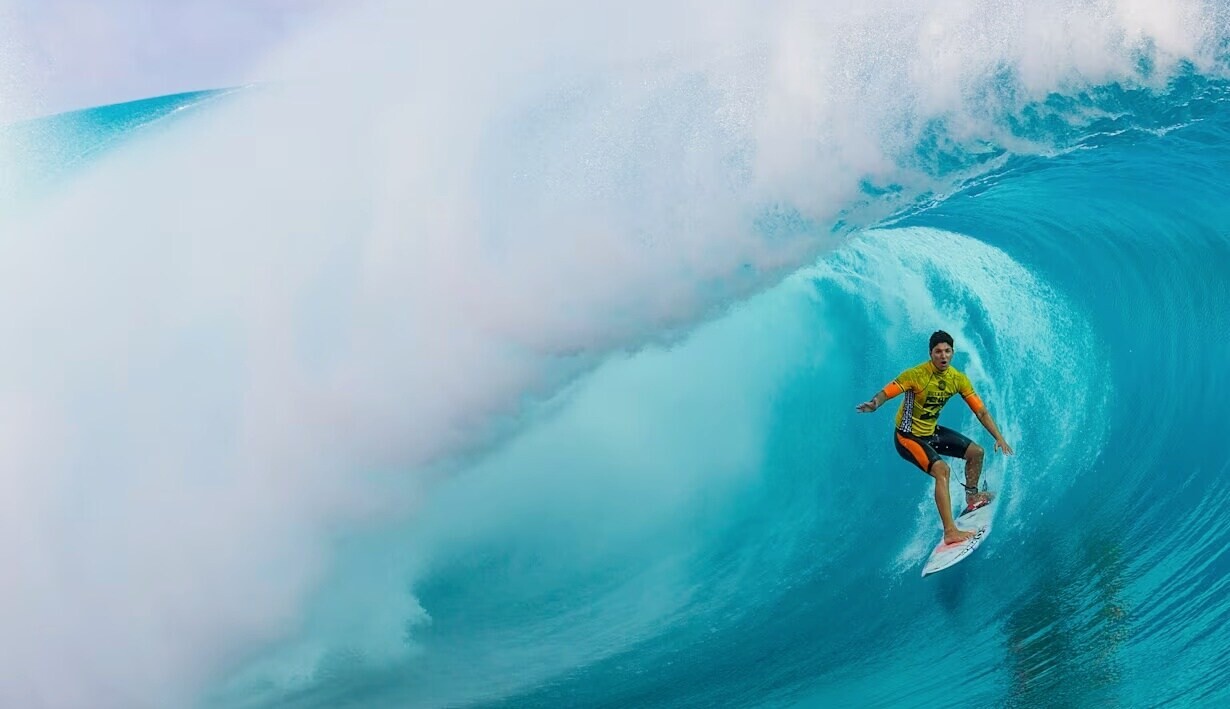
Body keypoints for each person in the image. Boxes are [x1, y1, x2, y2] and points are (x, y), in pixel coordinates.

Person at [856, 330, 1014, 544]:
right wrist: (875, 404)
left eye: (947, 351)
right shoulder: (916, 375)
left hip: (931, 432)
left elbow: (981, 411)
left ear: (953, 353)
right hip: (907, 437)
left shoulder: (957, 379)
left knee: (976, 453)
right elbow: (887, 392)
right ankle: (950, 532)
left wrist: (999, 437)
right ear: (931, 353)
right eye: (938, 351)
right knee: (942, 471)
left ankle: (972, 497)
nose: (943, 356)